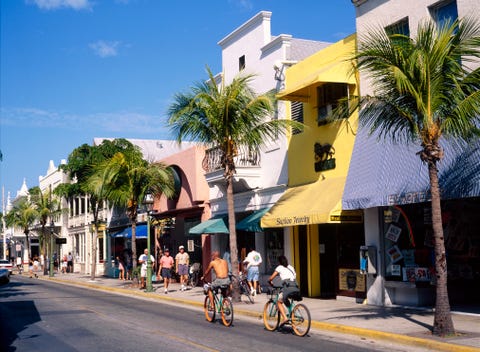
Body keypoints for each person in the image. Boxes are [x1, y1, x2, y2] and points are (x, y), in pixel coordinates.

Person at [268, 255, 298, 326]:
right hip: (295, 287)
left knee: (278, 302)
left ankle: (285, 318)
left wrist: (269, 282)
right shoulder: (291, 267)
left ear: (279, 262)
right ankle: (291, 313)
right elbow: (293, 277)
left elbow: (271, 277)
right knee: (285, 299)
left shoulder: (279, 267)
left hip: (287, 288)